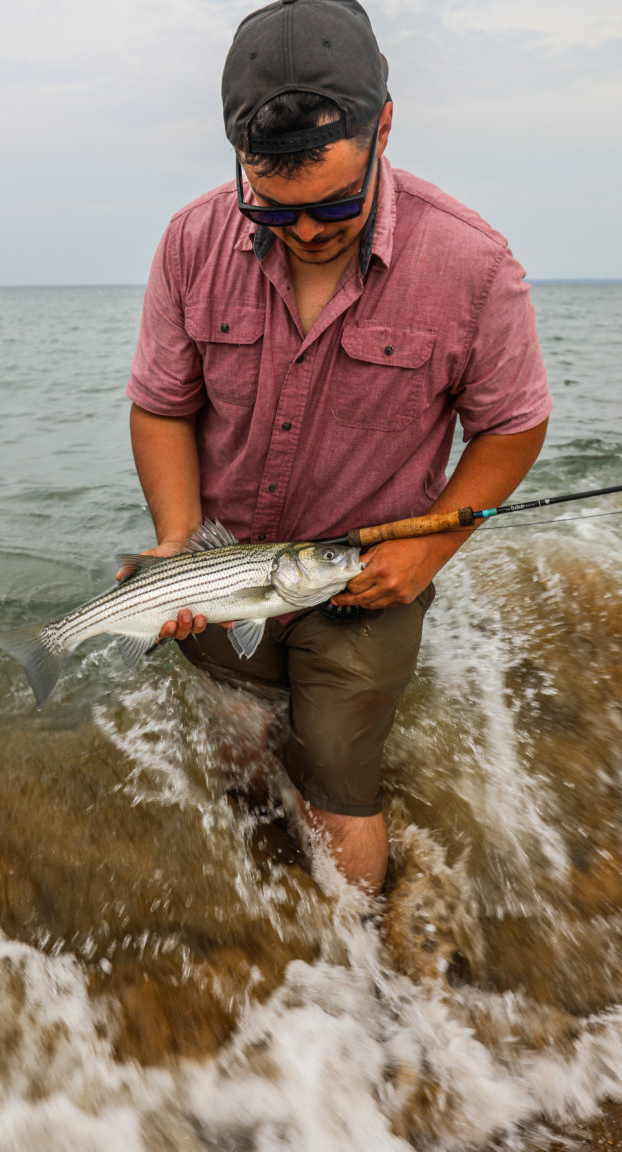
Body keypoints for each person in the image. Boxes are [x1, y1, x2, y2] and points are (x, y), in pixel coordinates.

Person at [125, 0, 551, 894]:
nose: (308, 232)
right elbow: (163, 405)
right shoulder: (190, 241)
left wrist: (431, 546)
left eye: (335, 206)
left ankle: (362, 986)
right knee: (240, 756)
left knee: (334, 774)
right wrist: (176, 540)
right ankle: (260, 936)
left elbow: (512, 422)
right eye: (273, 212)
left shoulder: (474, 264)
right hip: (224, 561)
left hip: (371, 575)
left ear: (384, 126)